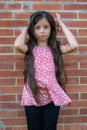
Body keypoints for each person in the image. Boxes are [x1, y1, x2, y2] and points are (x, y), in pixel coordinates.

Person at [14, 11, 78, 130]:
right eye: (37, 27)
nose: (42, 31)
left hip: (51, 98)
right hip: (32, 97)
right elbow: (18, 45)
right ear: (32, 29)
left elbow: (73, 45)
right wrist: (26, 28)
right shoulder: (30, 48)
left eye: (46, 27)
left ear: (51, 28)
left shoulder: (55, 49)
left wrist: (61, 24)